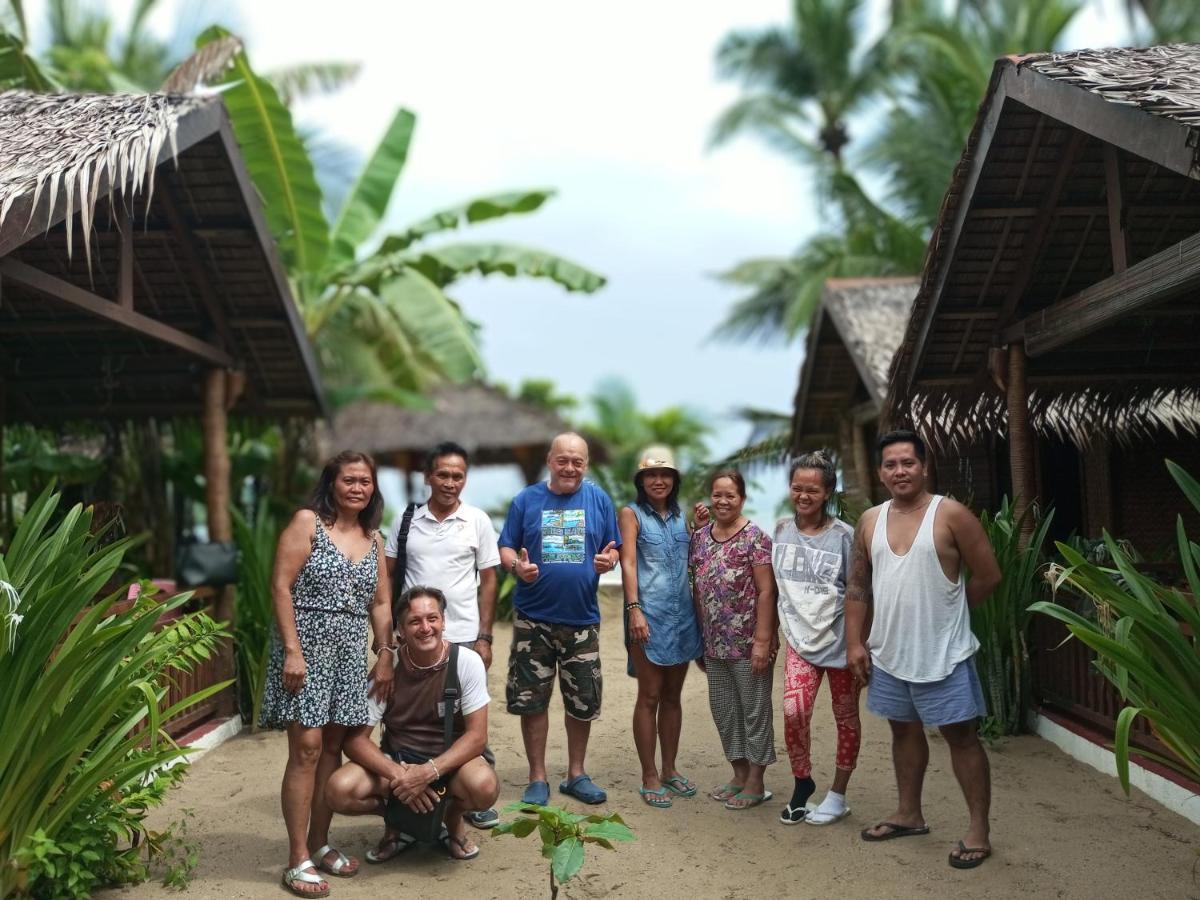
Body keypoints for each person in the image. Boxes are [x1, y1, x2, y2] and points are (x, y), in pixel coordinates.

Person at [845, 429, 1002, 869]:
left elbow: (988, 575)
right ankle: (909, 813)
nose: (900, 471)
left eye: (908, 463)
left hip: (943, 654)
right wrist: (855, 642)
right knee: (902, 731)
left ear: (925, 466)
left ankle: (978, 830)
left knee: (962, 738)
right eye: (891, 464)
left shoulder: (950, 514)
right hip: (889, 652)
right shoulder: (870, 520)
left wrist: (951, 614)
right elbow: (857, 586)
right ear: (880, 472)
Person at [259, 451, 395, 897]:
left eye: (365, 481)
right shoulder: (307, 523)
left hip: (348, 654)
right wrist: (293, 652)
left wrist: (385, 651)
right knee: (308, 749)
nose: (357, 488)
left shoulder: (373, 538)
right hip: (306, 648)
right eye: (349, 480)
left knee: (334, 745)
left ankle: (319, 843)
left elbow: (380, 603)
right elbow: (280, 585)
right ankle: (296, 857)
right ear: (331, 483)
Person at [325, 586, 499, 863]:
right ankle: (397, 821)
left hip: (450, 764)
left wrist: (429, 772)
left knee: (485, 786)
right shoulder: (387, 670)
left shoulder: (466, 662)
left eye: (433, 619)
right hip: (398, 762)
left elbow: (477, 737)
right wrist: (401, 777)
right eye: (415, 621)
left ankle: (451, 819)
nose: (425, 628)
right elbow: (355, 740)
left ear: (443, 622)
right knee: (338, 790)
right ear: (400, 631)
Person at [498, 432, 620, 806]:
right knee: (532, 701)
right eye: (563, 460)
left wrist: (610, 560)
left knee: (581, 702)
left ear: (586, 464)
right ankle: (537, 777)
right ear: (550, 460)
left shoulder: (598, 499)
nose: (570, 467)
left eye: (577, 461)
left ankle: (576, 774)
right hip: (533, 619)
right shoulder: (526, 500)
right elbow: (505, 547)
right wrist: (518, 567)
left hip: (582, 621)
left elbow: (613, 548)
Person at [383, 440, 501, 831]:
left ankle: (469, 797)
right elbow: (386, 577)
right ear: (428, 476)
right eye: (444, 474)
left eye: (459, 476)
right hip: (412, 635)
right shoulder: (404, 520)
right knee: (408, 713)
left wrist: (484, 636)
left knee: (468, 721)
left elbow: (488, 581)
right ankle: (406, 787)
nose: (451, 483)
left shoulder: (478, 521)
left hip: (464, 635)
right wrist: (386, 636)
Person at [773, 451, 861, 826]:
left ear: (827, 492)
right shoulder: (779, 530)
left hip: (840, 643)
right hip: (799, 642)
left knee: (847, 719)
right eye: (797, 488)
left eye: (812, 489)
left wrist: (861, 643)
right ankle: (802, 782)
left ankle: (838, 794)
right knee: (794, 712)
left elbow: (859, 591)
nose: (803, 495)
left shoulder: (845, 536)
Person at [618, 446, 704, 808]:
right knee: (649, 696)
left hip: (682, 616)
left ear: (674, 480)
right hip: (647, 617)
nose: (658, 480)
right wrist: (634, 609)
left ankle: (670, 769)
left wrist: (700, 528)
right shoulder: (631, 514)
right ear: (641, 481)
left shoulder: (683, 516)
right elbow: (629, 564)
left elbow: (694, 559)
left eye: (665, 475)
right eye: (651, 475)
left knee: (672, 697)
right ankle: (649, 774)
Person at [689, 469, 777, 810]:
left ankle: (756, 781)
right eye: (717, 494)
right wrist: (700, 636)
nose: (723, 501)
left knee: (754, 711)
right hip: (713, 643)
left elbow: (767, 591)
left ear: (742, 498)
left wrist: (763, 640)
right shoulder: (700, 537)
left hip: (747, 643)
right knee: (724, 710)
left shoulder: (756, 537)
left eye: (730, 495)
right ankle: (739, 773)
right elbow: (697, 588)